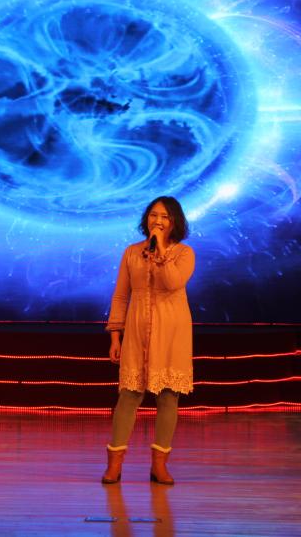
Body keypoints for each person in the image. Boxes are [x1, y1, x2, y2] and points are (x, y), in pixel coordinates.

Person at [101, 195, 195, 485]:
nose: (158, 220)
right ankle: (114, 465)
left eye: (165, 216)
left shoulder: (184, 254)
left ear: (175, 222)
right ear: (146, 219)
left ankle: (159, 466)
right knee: (129, 394)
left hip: (172, 330)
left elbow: (172, 282)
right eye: (154, 215)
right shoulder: (132, 253)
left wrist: (161, 250)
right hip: (137, 328)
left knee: (168, 394)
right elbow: (121, 296)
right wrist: (115, 336)